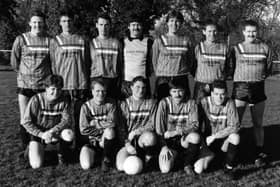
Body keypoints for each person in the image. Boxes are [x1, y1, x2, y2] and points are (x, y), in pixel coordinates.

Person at [229, 20, 272, 166]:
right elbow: (231, 67)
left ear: (257, 32)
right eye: (248, 31)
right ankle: (233, 154)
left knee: (258, 123)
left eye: (254, 31)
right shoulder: (236, 49)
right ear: (243, 32)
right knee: (236, 123)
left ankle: (258, 153)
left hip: (258, 88)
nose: (251, 34)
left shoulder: (265, 48)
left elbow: (268, 68)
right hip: (241, 87)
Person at [10, 9, 52, 155]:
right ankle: (25, 147)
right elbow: (14, 62)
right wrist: (24, 75)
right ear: (29, 23)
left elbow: (52, 62)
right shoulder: (21, 39)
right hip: (25, 86)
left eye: (40, 22)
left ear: (44, 24)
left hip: (42, 86)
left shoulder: (49, 40)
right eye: (34, 22)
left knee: (40, 118)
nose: (37, 25)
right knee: (25, 118)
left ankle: (38, 146)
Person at [50, 10, 90, 149]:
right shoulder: (55, 41)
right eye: (64, 21)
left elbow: (87, 63)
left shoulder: (82, 40)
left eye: (69, 21)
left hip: (80, 84)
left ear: (73, 22)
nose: (67, 23)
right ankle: (65, 148)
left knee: (80, 117)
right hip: (64, 86)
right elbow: (53, 64)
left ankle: (80, 145)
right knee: (64, 119)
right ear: (60, 23)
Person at [22, 75, 74, 168]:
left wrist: (52, 131)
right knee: (36, 165)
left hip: (55, 132)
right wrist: (42, 134)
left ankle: (61, 155)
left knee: (69, 134)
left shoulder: (64, 100)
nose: (56, 92)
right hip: (39, 134)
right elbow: (26, 122)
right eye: (52, 89)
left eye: (58, 89)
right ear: (46, 88)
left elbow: (66, 120)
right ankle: (32, 148)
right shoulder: (36, 99)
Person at [195, 80, 240, 179]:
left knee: (235, 137)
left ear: (226, 93)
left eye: (222, 94)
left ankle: (229, 168)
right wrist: (203, 145)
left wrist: (215, 136)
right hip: (208, 142)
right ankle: (214, 157)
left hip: (223, 141)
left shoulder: (230, 102)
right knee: (198, 169)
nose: (219, 97)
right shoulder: (204, 102)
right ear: (211, 93)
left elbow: (235, 126)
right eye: (216, 94)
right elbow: (196, 126)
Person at [156, 79, 200, 175]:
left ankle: (187, 164)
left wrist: (177, 131)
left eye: (180, 91)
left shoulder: (191, 103)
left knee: (195, 137)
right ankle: (178, 157)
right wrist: (163, 146)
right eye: (174, 91)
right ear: (170, 92)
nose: (177, 94)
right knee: (165, 169)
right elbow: (159, 129)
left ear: (185, 90)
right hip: (169, 142)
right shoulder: (164, 103)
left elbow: (195, 125)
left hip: (184, 139)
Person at [116, 76, 158, 173]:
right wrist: (127, 144)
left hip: (142, 139)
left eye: (143, 88)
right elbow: (121, 128)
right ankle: (134, 156)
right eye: (137, 87)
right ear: (131, 87)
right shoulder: (124, 104)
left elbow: (152, 125)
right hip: (128, 141)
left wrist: (136, 132)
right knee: (121, 167)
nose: (140, 90)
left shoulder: (151, 103)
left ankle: (147, 158)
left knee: (150, 137)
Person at [152, 10, 194, 101]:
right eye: (171, 21)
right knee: (162, 105)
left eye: (177, 21)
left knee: (182, 106)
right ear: (167, 23)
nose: (174, 24)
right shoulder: (159, 40)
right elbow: (154, 61)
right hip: (163, 78)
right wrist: (161, 72)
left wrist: (182, 70)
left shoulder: (187, 41)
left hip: (181, 77)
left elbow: (190, 60)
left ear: (181, 23)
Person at [79, 79, 117, 171]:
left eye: (103, 91)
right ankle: (94, 155)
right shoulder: (86, 106)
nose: (101, 94)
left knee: (110, 131)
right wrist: (101, 130)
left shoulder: (111, 104)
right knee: (86, 166)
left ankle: (106, 158)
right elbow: (83, 129)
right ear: (92, 91)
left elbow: (112, 123)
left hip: (105, 140)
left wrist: (95, 123)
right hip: (91, 142)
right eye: (97, 91)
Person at [193, 21, 229, 102]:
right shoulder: (198, 47)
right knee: (200, 111)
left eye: (214, 31)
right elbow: (192, 66)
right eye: (209, 31)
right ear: (204, 32)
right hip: (201, 86)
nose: (212, 34)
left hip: (219, 86)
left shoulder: (224, 48)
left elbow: (228, 67)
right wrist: (203, 80)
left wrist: (220, 78)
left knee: (220, 112)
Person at [90, 13, 122, 99]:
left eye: (106, 25)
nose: (103, 28)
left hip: (112, 80)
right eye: (101, 25)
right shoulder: (91, 43)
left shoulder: (116, 43)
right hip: (96, 79)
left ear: (110, 26)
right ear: (96, 25)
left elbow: (120, 63)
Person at [120, 14, 153, 99]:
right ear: (129, 27)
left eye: (138, 25)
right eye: (133, 25)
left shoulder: (149, 42)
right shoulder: (122, 42)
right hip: (127, 83)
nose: (136, 27)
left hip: (143, 83)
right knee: (126, 109)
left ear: (142, 27)